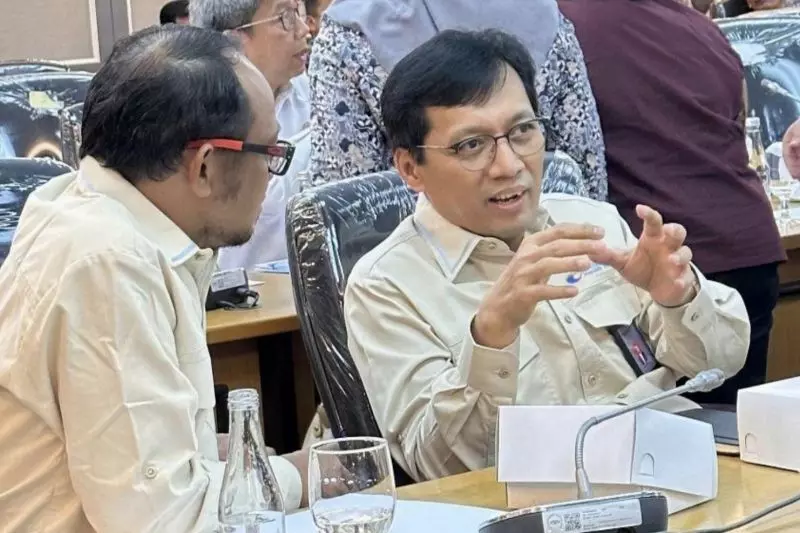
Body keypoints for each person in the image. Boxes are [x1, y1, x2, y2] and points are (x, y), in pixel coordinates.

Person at [344, 29, 749, 482]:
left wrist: (678, 298)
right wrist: (492, 334)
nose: (509, 165)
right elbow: (443, 468)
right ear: (410, 168)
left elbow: (719, 364)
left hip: (671, 466)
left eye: (522, 132)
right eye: (471, 145)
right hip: (538, 499)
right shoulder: (385, 285)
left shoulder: (590, 220)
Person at [0, 25, 307, 532]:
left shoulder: (85, 210)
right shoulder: (108, 262)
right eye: (270, 154)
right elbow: (162, 520)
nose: (271, 179)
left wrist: (206, 453)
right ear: (205, 166)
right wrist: (304, 475)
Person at [559, 0, 785, 405]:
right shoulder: (701, 29)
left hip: (665, 259)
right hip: (745, 240)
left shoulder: (565, 22)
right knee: (740, 425)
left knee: (670, 423)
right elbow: (736, 116)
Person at [307, 0, 608, 201]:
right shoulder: (545, 17)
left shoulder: (348, 35)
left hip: (416, 267)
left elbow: (345, 206)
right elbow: (584, 180)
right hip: (548, 255)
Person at [191, 0, 312, 268]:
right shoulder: (200, 117)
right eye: (284, 18)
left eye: (299, 13)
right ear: (233, 39)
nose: (304, 29)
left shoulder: (315, 94)